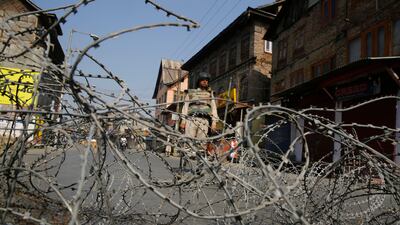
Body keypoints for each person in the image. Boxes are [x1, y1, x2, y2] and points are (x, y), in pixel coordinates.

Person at [179, 72, 219, 158]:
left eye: (206, 80)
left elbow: (213, 108)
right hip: (191, 119)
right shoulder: (191, 93)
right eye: (203, 80)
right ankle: (188, 159)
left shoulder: (210, 94)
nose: (205, 82)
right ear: (199, 81)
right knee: (189, 140)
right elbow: (185, 106)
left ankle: (199, 162)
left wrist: (214, 122)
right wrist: (183, 120)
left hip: (204, 120)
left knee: (202, 142)